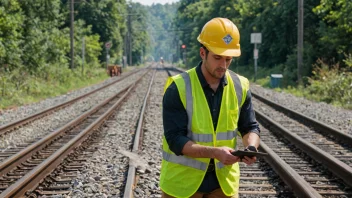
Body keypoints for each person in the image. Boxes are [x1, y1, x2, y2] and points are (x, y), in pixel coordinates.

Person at [160, 17, 261, 198]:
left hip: (223, 186)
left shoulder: (240, 86)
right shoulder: (178, 88)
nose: (223, 65)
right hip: (182, 186)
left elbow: (250, 127)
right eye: (217, 57)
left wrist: (251, 147)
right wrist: (214, 152)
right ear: (202, 53)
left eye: (228, 59)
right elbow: (175, 140)